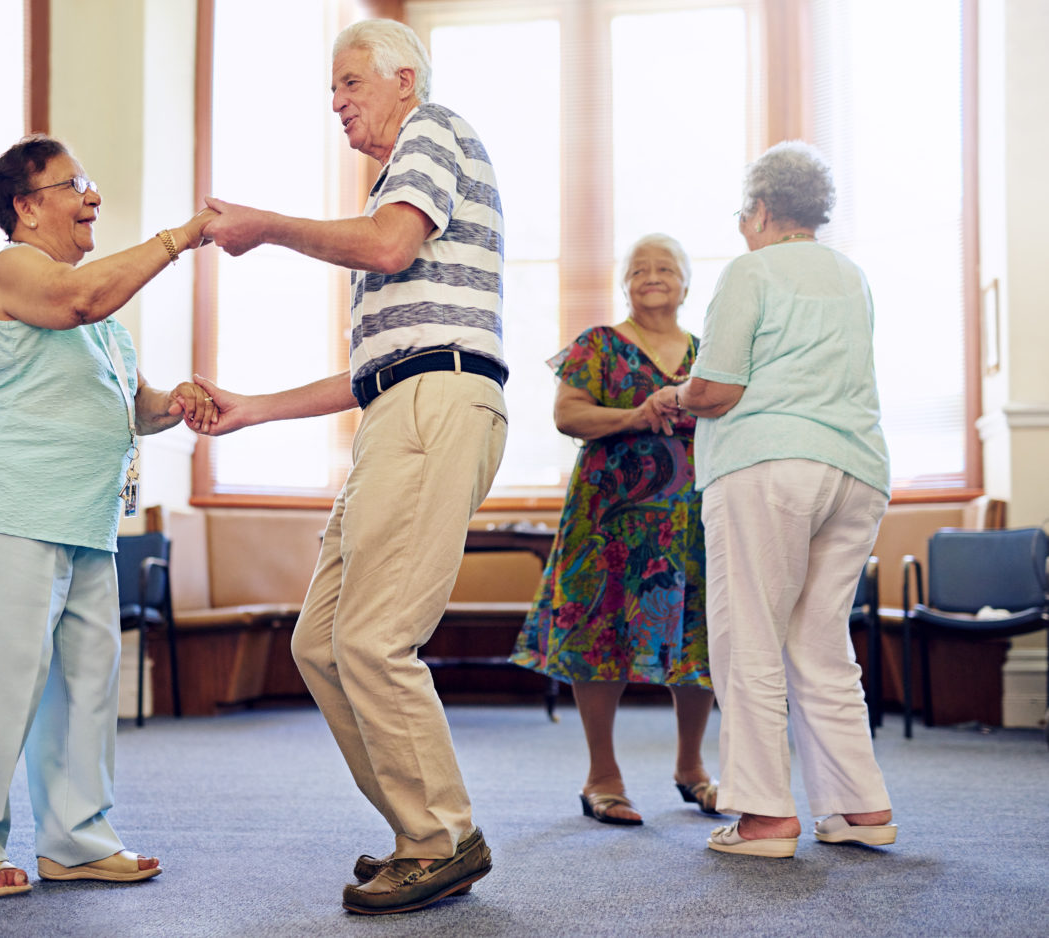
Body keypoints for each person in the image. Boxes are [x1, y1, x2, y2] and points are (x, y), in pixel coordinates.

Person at [197, 19, 506, 916]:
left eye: (348, 84)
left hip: (436, 407)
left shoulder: (433, 132)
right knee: (319, 640)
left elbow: (385, 245)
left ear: (405, 79)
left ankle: (442, 836)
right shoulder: (396, 187)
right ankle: (423, 834)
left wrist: (267, 227)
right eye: (333, 90)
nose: (336, 103)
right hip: (401, 407)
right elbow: (374, 368)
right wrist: (253, 408)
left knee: (372, 639)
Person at [0, 133, 217, 897]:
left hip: (84, 519)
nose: (93, 198)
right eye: (75, 184)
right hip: (8, 505)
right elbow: (81, 295)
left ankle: (78, 840)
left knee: (90, 682)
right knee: (5, 680)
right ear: (26, 207)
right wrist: (182, 236)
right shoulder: (17, 268)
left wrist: (174, 407)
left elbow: (132, 408)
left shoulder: (105, 325)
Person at [656, 141, 896, 858]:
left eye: (743, 216)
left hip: (769, 467)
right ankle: (860, 808)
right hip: (857, 471)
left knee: (748, 640)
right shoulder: (851, 276)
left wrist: (676, 395)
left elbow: (719, 388)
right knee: (822, 644)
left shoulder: (751, 271)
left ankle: (763, 817)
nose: (742, 229)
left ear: (761, 210)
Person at [510, 234, 719, 826]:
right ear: (623, 282)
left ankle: (693, 768)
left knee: (694, 636)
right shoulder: (598, 345)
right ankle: (602, 775)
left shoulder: (710, 352)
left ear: (686, 281)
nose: (653, 277)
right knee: (598, 634)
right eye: (639, 268)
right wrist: (636, 415)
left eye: (666, 267)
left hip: (689, 520)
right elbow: (567, 414)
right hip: (606, 520)